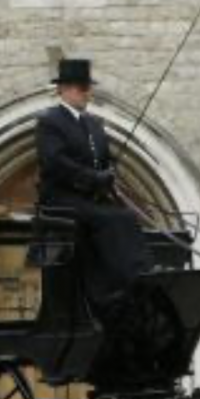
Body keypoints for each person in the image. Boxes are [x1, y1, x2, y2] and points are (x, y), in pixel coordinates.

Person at [34, 58, 149, 308]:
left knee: (127, 215)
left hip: (91, 198)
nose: (88, 93)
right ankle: (125, 276)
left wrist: (108, 176)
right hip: (62, 198)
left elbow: (103, 160)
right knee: (112, 219)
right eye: (82, 88)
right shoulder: (51, 122)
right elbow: (54, 162)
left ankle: (139, 270)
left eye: (88, 87)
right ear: (63, 90)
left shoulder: (93, 123)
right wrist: (92, 178)